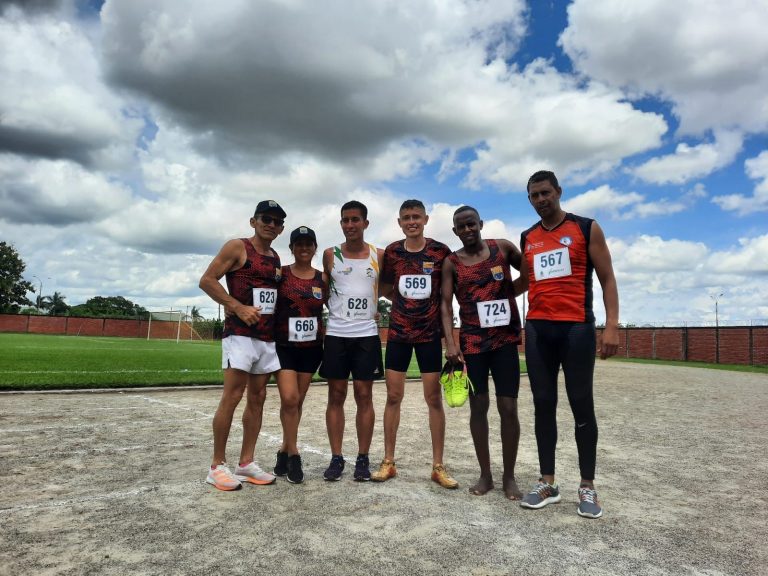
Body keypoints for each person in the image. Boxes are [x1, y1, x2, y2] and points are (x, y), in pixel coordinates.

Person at [517, 170, 619, 519]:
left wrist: (611, 326)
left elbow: (607, 278)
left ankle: (587, 485)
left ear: (558, 191)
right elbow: (525, 281)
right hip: (538, 329)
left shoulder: (586, 228)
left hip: (576, 327)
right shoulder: (528, 236)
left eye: (545, 193)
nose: (541, 200)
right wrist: (482, 291)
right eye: (534, 196)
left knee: (581, 404)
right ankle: (548, 482)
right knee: (543, 404)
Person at [199, 200, 286, 491]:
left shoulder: (275, 257)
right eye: (266, 219)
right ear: (253, 221)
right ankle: (217, 466)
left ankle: (246, 463)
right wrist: (236, 307)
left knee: (258, 397)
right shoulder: (238, 247)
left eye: (276, 221)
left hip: (266, 338)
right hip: (239, 335)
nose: (270, 224)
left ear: (281, 228)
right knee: (233, 396)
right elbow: (207, 280)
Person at [371, 200, 457, 489]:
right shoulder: (393, 252)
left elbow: (447, 296)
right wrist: (401, 301)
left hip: (429, 336)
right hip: (398, 334)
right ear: (399, 222)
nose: (412, 221)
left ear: (426, 219)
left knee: (433, 399)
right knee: (393, 397)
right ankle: (388, 461)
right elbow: (384, 287)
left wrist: (450, 338)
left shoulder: (440, 251)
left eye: (416, 216)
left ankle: (438, 466)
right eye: (406, 217)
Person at [440, 206, 524, 500]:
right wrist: (451, 343)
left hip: (504, 341)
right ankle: (485, 474)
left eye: (471, 224)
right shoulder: (451, 263)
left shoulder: (502, 249)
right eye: (461, 227)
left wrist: (509, 293)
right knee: (479, 408)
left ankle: (509, 476)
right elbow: (445, 304)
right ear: (455, 231)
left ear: (480, 224)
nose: (467, 230)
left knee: (508, 408)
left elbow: (531, 273)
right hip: (473, 344)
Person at [319, 200, 384, 482]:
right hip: (337, 334)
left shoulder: (379, 255)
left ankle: (362, 458)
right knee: (336, 395)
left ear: (365, 223)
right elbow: (323, 292)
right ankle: (336, 458)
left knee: (364, 395)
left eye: (355, 219)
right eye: (345, 220)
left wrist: (377, 308)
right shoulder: (330, 255)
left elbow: (389, 287)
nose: (350, 225)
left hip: (366, 334)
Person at [273, 226, 327, 484]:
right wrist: (234, 306)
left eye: (309, 244)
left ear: (315, 248)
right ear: (291, 248)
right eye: (299, 244)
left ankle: (283, 450)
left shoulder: (323, 278)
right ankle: (294, 454)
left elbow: (336, 304)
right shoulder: (280, 274)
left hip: (311, 348)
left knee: (296, 402)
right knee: (290, 398)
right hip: (283, 346)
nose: (304, 248)